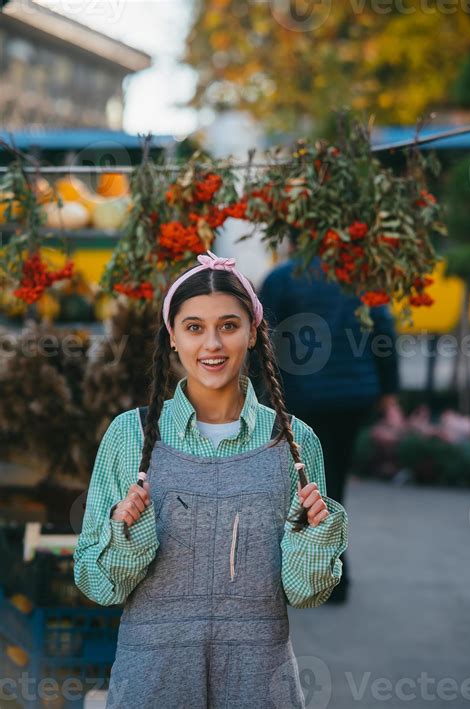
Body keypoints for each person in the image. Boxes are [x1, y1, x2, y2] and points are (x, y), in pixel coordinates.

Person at [74, 250, 348, 709]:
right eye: (194, 327)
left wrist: (316, 538)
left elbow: (304, 593)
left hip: (259, 680)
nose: (212, 344)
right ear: (174, 339)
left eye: (229, 325)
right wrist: (123, 533)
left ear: (254, 334)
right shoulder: (129, 436)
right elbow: (97, 584)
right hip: (152, 679)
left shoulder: (295, 444)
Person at [256, 236, 401, 603]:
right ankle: (329, 571)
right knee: (332, 481)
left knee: (305, 484)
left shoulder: (282, 278)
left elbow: (262, 339)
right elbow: (384, 331)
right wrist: (389, 393)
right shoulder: (361, 277)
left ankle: (321, 572)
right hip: (353, 398)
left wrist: (260, 396)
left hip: (302, 398)